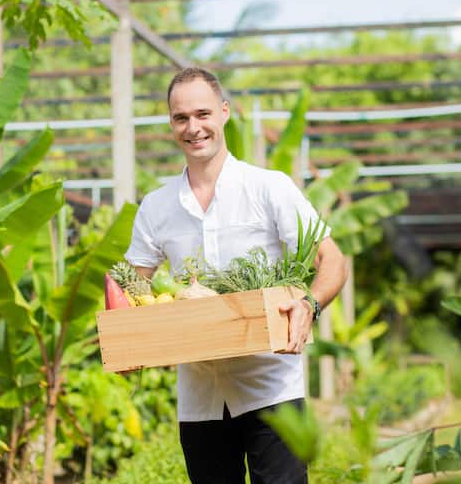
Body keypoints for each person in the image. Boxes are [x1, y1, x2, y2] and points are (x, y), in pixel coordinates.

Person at [124, 67, 347, 484]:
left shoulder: (268, 188)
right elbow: (131, 287)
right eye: (181, 118)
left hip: (273, 385)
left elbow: (332, 259)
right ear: (171, 123)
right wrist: (128, 338)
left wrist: (309, 305)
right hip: (200, 397)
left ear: (224, 112)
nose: (193, 128)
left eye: (203, 114)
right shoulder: (156, 207)